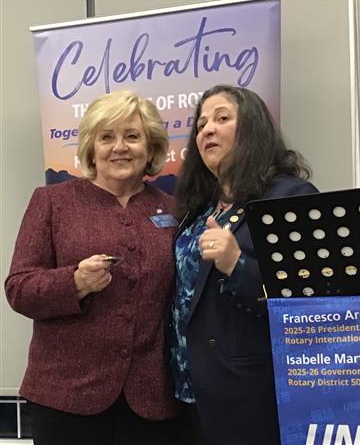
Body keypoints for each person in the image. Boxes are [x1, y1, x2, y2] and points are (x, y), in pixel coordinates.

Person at [5, 90, 181, 445]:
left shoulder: (176, 209)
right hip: (65, 397)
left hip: (151, 401)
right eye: (107, 137)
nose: (120, 147)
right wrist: (75, 283)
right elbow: (19, 289)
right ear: (90, 148)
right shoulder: (52, 202)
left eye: (132, 136)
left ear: (151, 147)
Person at [170, 84, 318, 445]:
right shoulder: (199, 207)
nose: (207, 129)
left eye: (222, 118)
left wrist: (236, 263)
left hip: (245, 392)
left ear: (252, 128)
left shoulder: (289, 197)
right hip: (186, 390)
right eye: (201, 124)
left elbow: (306, 298)